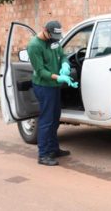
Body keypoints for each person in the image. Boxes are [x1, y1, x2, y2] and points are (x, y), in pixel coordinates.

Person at [27, 20, 78, 166]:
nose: (56, 39)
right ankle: (43, 155)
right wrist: (59, 77)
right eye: (53, 35)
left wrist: (65, 65)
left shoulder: (54, 41)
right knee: (46, 120)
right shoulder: (34, 46)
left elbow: (62, 55)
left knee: (55, 117)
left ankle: (54, 149)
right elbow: (40, 71)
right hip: (44, 86)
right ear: (45, 30)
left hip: (54, 86)